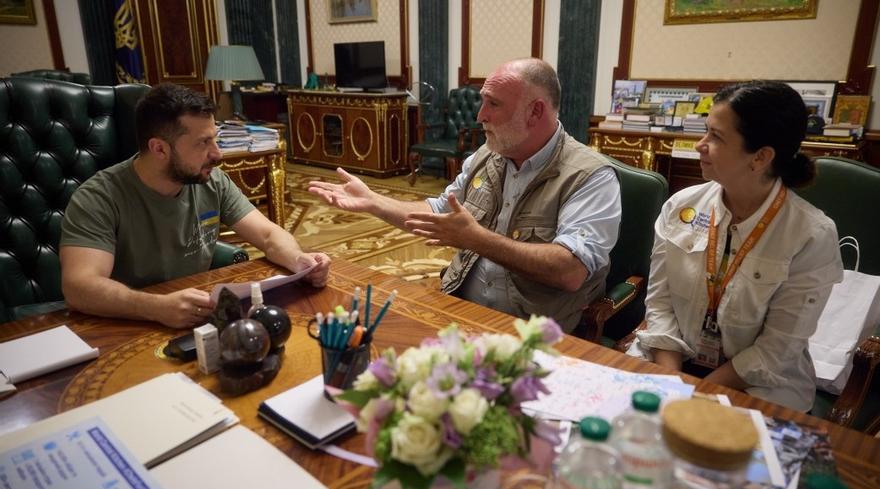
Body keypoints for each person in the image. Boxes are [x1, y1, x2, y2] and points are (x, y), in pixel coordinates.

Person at [308, 58, 621, 332]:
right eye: (482, 101)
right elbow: (440, 211)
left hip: (532, 331)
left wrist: (476, 239)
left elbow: (570, 271)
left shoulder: (590, 176)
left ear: (535, 112)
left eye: (493, 104)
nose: (479, 115)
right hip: (459, 308)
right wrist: (374, 202)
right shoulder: (487, 156)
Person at [627, 80, 843, 412]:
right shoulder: (681, 207)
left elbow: (776, 351)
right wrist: (672, 379)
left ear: (760, 158)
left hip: (757, 384)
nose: (700, 144)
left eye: (716, 136)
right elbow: (660, 304)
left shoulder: (811, 235)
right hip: (671, 358)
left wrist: (698, 391)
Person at [60, 83, 330, 329]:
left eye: (215, 137)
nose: (218, 154)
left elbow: (269, 235)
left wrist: (298, 260)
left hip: (195, 318)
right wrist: (155, 307)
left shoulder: (211, 181)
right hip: (126, 323)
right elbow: (79, 287)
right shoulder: (97, 198)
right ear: (159, 149)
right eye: (203, 142)